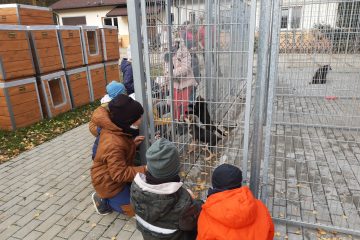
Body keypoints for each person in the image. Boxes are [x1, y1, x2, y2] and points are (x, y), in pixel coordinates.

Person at [130, 138, 203, 240]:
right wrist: (195, 202)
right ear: (176, 168)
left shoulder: (135, 187)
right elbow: (192, 224)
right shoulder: (183, 201)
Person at [91, 94, 147, 216]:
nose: (140, 120)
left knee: (141, 193)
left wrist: (132, 144)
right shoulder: (113, 143)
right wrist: (145, 169)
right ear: (127, 121)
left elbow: (120, 152)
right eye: (137, 118)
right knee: (135, 210)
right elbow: (119, 174)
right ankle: (103, 201)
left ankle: (118, 195)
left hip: (115, 175)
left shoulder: (117, 129)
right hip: (108, 184)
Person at [197, 164, 274, 240]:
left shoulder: (207, 215)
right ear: (239, 184)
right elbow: (270, 232)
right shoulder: (260, 206)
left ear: (215, 185)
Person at [164, 38, 197, 121]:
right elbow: (166, 70)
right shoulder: (167, 54)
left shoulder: (184, 52)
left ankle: (186, 123)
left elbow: (185, 68)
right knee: (175, 104)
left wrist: (171, 73)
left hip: (185, 83)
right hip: (174, 83)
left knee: (185, 104)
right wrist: (168, 75)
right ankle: (177, 121)